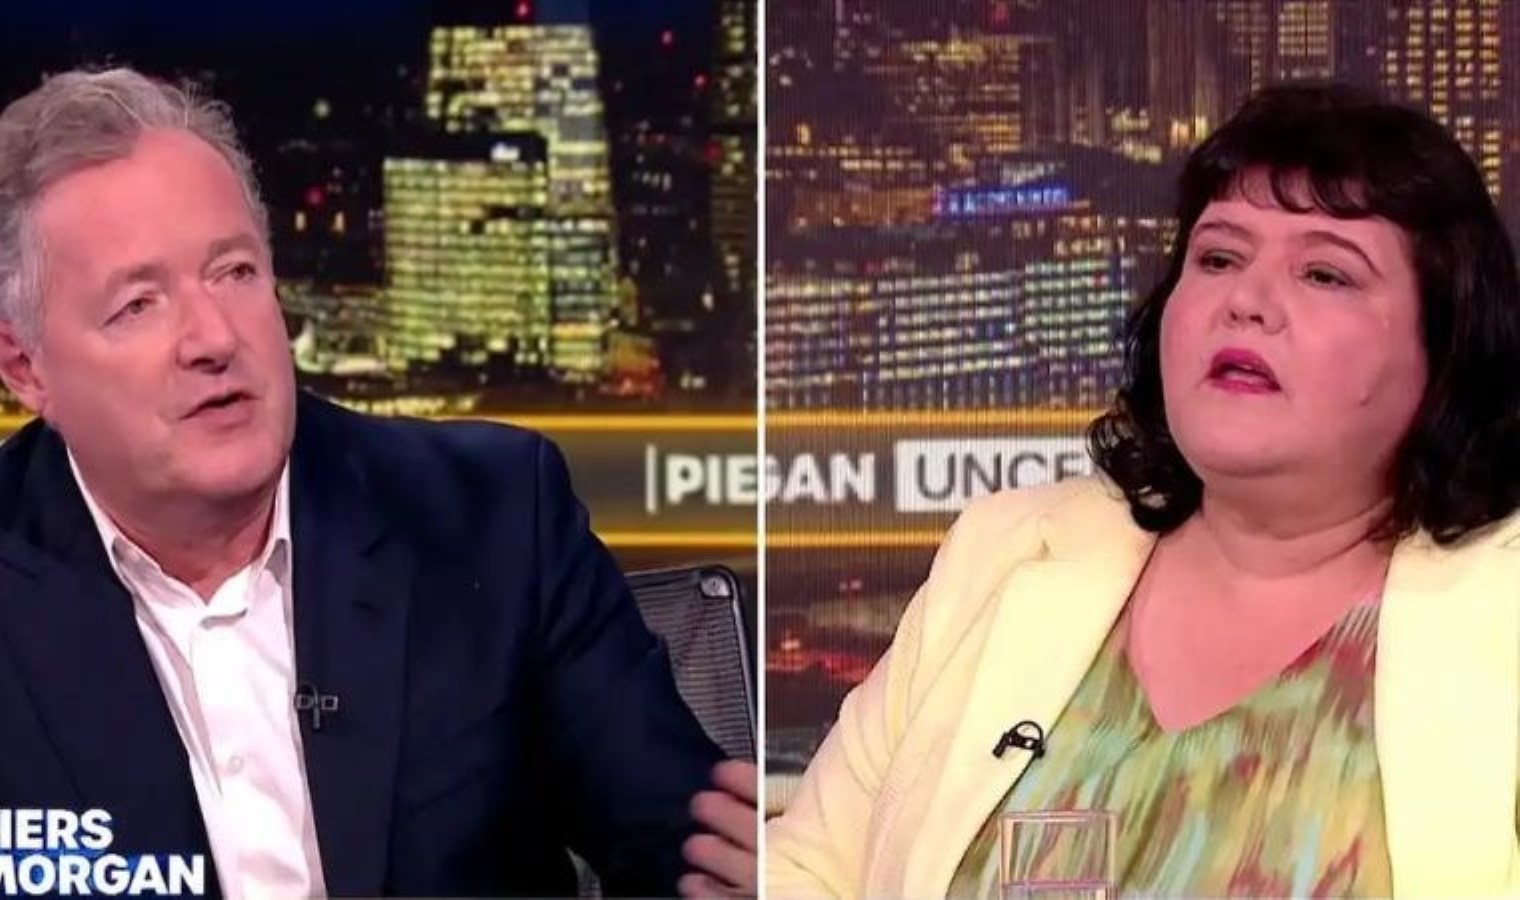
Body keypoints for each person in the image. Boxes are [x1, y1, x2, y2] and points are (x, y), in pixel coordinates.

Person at [0, 68, 756, 898]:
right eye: (138, 305)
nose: (213, 338)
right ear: (25, 367)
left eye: (234, 272)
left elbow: (689, 854)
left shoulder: (493, 518)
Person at [766, 83, 1520, 897]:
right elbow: (808, 871)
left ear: (1445, 347)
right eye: (1218, 258)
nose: (1246, 301)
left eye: (1324, 273)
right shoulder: (1003, 553)